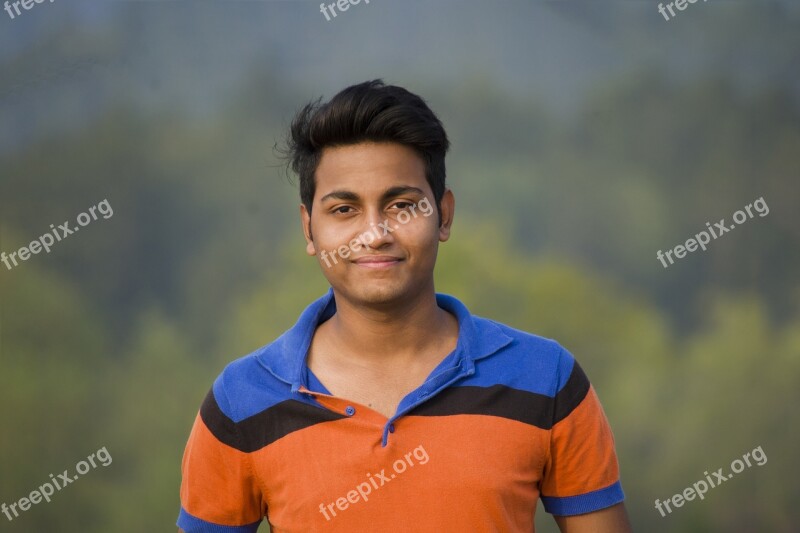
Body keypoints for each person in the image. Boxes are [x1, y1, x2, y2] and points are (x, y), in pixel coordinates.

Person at [177, 79, 632, 533]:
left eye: (401, 205)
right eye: (343, 210)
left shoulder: (546, 378)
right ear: (308, 229)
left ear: (444, 215)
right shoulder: (241, 401)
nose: (375, 233)